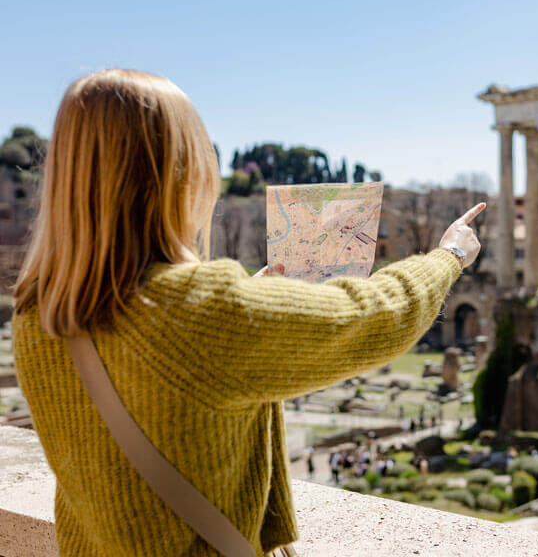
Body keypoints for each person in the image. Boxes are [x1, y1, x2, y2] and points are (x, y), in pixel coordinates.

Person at [12, 70, 484, 557]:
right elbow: (373, 316)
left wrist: (251, 303)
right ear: (181, 175)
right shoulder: (198, 311)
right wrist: (447, 257)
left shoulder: (34, 314)